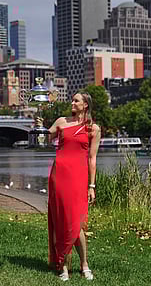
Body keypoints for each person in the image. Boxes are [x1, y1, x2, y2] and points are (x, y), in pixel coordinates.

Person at [47, 91, 101, 281]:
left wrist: (91, 185)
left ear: (85, 105)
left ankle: (84, 263)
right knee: (61, 221)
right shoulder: (61, 122)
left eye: (76, 100)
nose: (72, 102)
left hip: (78, 178)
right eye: (72, 100)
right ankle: (63, 267)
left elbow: (92, 159)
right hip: (59, 176)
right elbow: (43, 140)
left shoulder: (93, 129)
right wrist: (40, 128)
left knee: (76, 224)